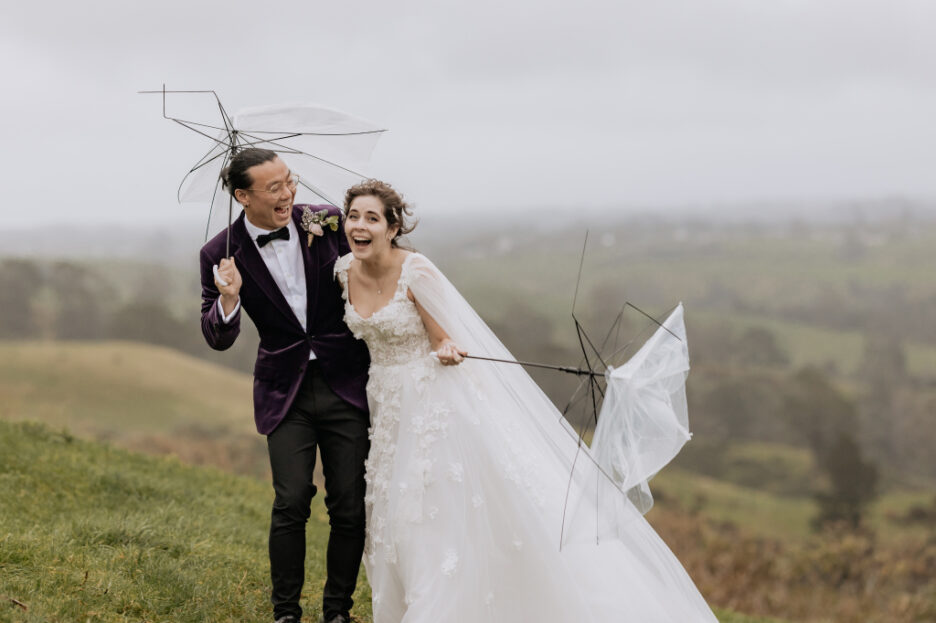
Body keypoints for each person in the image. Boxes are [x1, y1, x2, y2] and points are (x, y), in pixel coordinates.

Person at [335, 179, 719, 622]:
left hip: (431, 407)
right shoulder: (343, 271)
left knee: (429, 514)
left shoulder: (417, 270)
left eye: (371, 218)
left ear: (392, 226)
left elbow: (443, 335)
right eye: (353, 216)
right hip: (384, 406)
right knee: (391, 514)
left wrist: (445, 348)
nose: (359, 225)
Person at [199, 148, 370, 623]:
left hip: (346, 383)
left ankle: (338, 612)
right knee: (292, 500)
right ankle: (285, 614)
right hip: (284, 391)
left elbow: (377, 273)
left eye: (289, 181)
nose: (288, 193)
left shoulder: (329, 221)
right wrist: (229, 299)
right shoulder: (218, 254)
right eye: (274, 187)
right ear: (242, 196)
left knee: (350, 505)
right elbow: (216, 336)